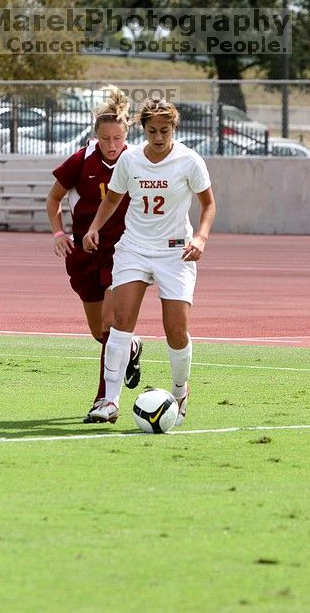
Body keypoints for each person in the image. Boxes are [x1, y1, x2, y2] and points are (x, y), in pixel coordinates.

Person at [82, 97, 216, 425]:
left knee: (176, 330)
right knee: (120, 321)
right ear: (143, 129)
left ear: (174, 128)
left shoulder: (189, 161)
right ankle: (109, 401)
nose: (159, 137)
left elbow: (209, 204)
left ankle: (180, 391)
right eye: (152, 130)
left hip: (175, 252)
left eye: (165, 130)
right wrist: (94, 228)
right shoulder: (130, 160)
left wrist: (200, 238)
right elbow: (113, 197)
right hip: (135, 248)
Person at [46, 85, 143, 423]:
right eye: (106, 139)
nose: (112, 145)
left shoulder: (136, 160)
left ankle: (105, 399)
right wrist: (59, 233)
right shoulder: (80, 160)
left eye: (118, 138)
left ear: (127, 134)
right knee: (99, 332)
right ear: (96, 136)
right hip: (84, 251)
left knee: (111, 322)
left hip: (124, 252)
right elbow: (53, 200)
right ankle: (129, 348)